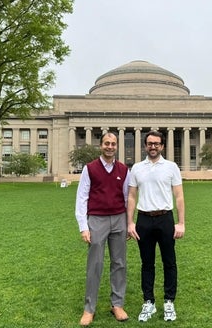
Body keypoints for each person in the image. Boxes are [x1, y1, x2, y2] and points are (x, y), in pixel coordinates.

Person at [127, 130, 185, 322]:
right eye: (150, 143)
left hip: (165, 218)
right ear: (145, 146)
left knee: (169, 262)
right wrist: (130, 222)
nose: (153, 146)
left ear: (162, 146)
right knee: (147, 264)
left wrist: (181, 223)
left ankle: (169, 301)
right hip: (144, 220)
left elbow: (179, 196)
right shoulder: (136, 168)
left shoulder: (171, 167)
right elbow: (132, 196)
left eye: (157, 143)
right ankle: (148, 302)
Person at [75, 132, 130, 326]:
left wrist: (128, 222)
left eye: (113, 144)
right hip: (96, 220)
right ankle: (89, 308)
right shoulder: (90, 169)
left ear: (117, 146)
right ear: (101, 145)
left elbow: (126, 198)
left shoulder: (124, 170)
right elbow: (81, 198)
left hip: (118, 219)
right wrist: (84, 227)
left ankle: (117, 304)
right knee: (95, 264)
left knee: (120, 263)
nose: (110, 146)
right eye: (107, 143)